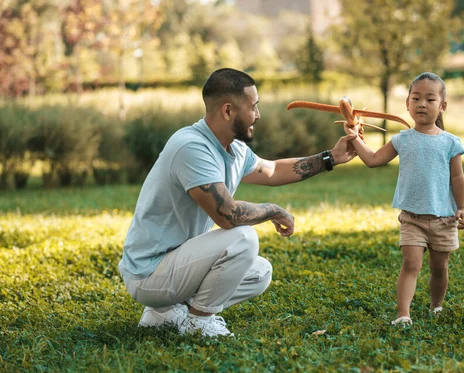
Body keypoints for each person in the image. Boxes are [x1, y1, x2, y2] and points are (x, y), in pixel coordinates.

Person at [119, 68, 357, 338]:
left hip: (174, 267)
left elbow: (273, 170)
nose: (258, 115)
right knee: (242, 237)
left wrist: (331, 158)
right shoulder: (191, 147)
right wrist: (273, 210)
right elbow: (227, 215)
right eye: (253, 107)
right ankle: (198, 321)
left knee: (259, 272)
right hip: (149, 273)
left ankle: (163, 313)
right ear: (228, 111)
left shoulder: (233, 148)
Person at [343, 72, 464, 327]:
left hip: (444, 219)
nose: (422, 103)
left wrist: (462, 207)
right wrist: (355, 137)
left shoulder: (450, 143)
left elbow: (457, 178)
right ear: (407, 104)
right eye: (416, 98)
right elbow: (373, 159)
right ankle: (403, 314)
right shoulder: (401, 139)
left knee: (439, 269)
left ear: (442, 106)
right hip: (412, 218)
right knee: (411, 264)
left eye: (430, 99)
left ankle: (436, 306)